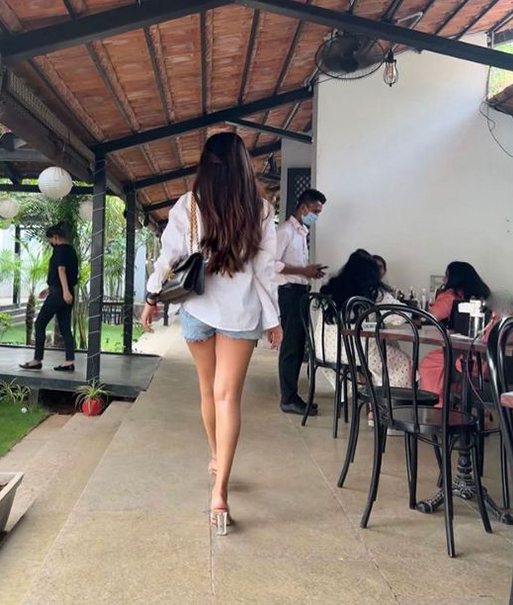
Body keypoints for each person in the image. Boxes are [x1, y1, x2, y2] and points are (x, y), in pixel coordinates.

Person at [140, 132, 282, 534]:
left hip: (197, 309)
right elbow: (265, 272)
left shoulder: (189, 204)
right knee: (227, 397)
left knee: (207, 391)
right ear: (243, 166)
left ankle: (216, 456)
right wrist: (273, 318)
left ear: (206, 165)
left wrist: (151, 296)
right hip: (240, 313)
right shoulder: (260, 210)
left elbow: (169, 258)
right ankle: (220, 492)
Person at [315, 249, 413, 395]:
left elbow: (347, 322)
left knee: (381, 352)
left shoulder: (331, 288)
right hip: (357, 352)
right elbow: (401, 316)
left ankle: (361, 397)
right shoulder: (373, 292)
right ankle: (385, 402)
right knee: (403, 362)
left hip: (325, 351)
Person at [276, 188, 327, 415]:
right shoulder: (285, 231)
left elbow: (296, 267)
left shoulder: (301, 232)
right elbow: (272, 263)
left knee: (298, 346)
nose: (316, 216)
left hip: (300, 292)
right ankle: (288, 398)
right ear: (303, 208)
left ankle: (293, 395)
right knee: (290, 347)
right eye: (315, 211)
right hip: (289, 294)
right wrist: (303, 270)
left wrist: (309, 272)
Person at [419, 261, 491, 405]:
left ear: (454, 278)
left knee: (429, 362)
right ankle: (456, 404)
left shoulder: (450, 297)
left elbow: (431, 316)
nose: (444, 279)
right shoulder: (486, 297)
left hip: (466, 358)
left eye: (446, 275)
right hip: (489, 359)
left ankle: (436, 408)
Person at [20, 225, 78, 372]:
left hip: (60, 292)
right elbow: (64, 274)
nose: (50, 242)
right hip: (65, 290)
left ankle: (37, 360)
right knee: (65, 326)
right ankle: (69, 361)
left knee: (40, 323)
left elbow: (61, 270)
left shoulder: (59, 249)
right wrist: (51, 289)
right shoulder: (71, 250)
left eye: (50, 239)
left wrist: (63, 291)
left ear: (56, 238)